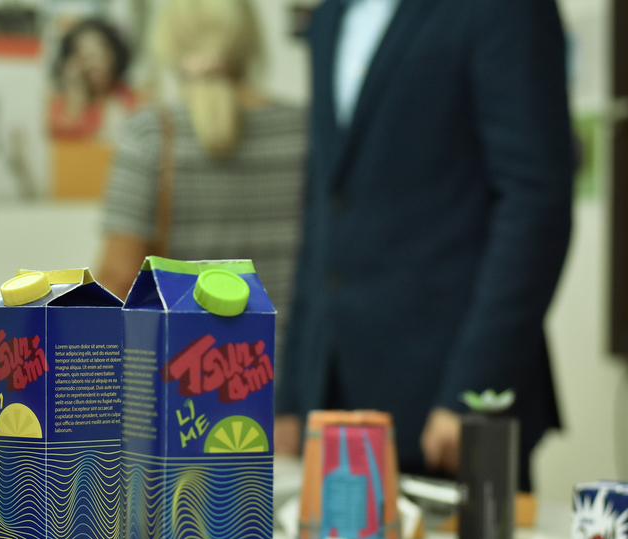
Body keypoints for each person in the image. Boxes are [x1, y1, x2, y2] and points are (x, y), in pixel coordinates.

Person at [275, 0, 574, 492]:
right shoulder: (329, 18)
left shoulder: (503, 10)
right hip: (331, 402)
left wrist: (473, 391)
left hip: (449, 410)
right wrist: (291, 395)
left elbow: (534, 205)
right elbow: (325, 212)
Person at [96, 0, 307, 365]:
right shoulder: (307, 132)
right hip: (295, 377)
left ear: (167, 43)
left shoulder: (151, 135)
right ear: (250, 40)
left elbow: (118, 280)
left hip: (188, 381)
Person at [49, 18, 138, 142]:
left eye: (100, 54)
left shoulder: (126, 98)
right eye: (85, 56)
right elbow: (60, 139)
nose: (94, 63)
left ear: (114, 55)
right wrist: (75, 95)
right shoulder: (61, 101)